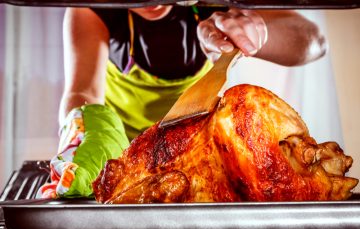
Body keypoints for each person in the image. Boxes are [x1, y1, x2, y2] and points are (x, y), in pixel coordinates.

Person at [38, 4, 326, 199]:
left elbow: (313, 41)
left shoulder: (211, 7)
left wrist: (258, 30)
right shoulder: (92, 8)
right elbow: (82, 91)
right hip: (120, 154)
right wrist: (85, 137)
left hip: (195, 156)